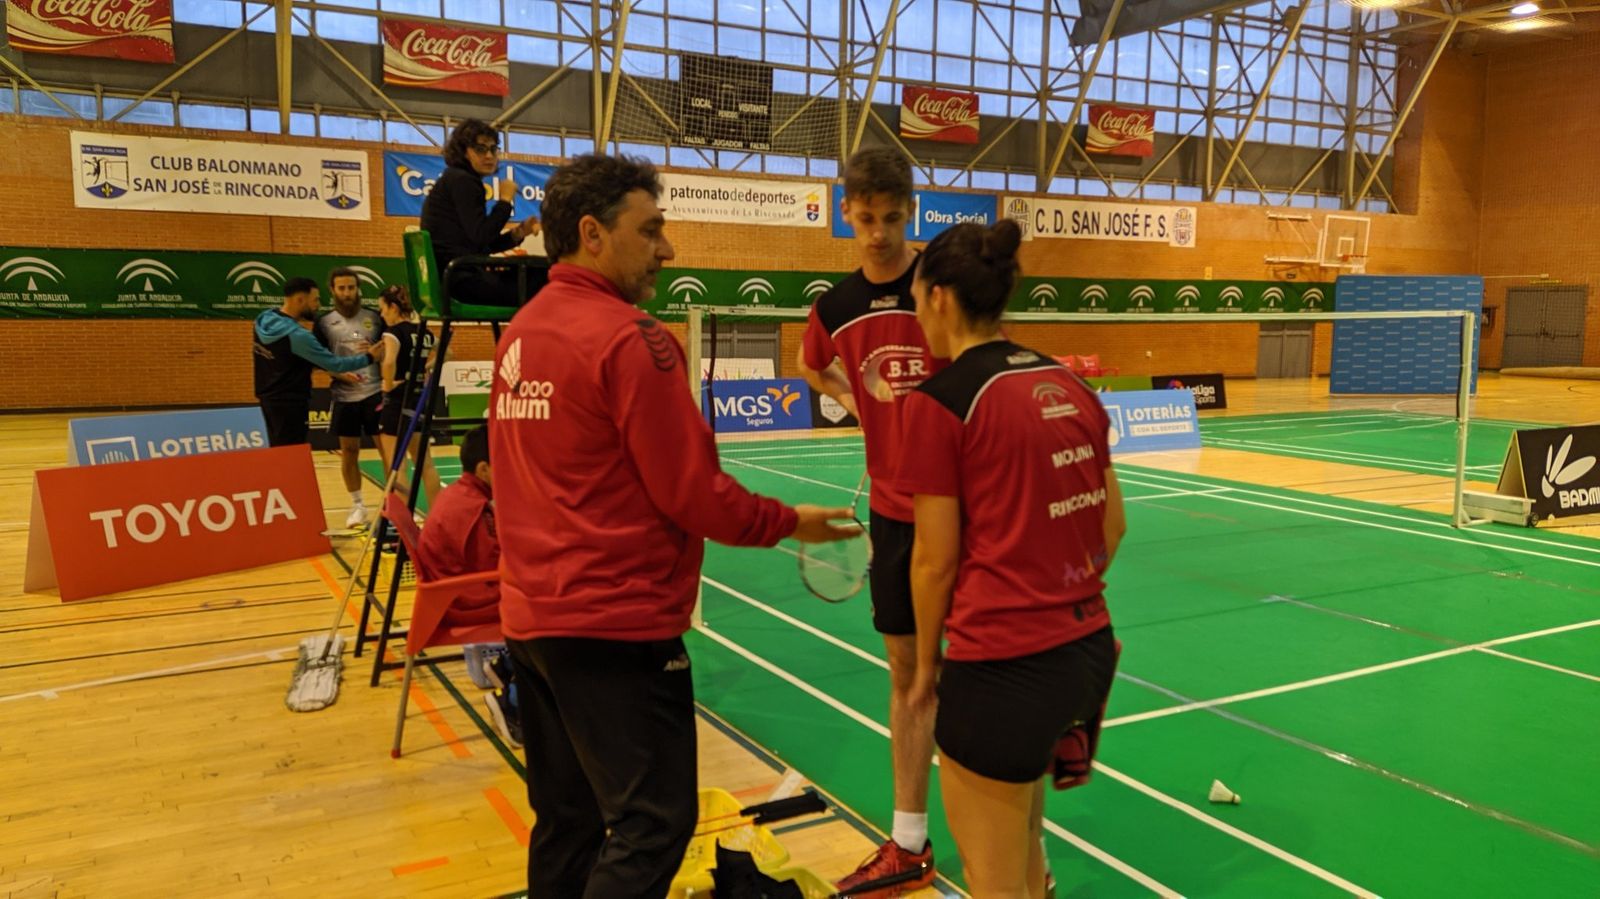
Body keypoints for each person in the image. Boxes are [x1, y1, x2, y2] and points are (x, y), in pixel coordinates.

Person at [490, 153, 856, 899]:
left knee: (570, 822)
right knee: (653, 824)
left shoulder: (520, 333)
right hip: (613, 628)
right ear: (592, 233)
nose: (668, 249)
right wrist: (789, 521)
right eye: (651, 230)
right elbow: (694, 494)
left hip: (531, 624)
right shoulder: (635, 340)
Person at [898, 220, 1125, 898]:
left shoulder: (942, 404)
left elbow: (934, 563)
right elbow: (1113, 527)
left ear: (940, 298)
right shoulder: (1069, 383)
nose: (917, 321)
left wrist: (926, 671)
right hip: (1084, 653)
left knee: (991, 879)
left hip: (1001, 670)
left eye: (915, 304)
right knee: (1027, 851)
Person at [796, 147, 943, 892]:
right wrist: (852, 401)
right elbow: (810, 362)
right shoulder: (836, 307)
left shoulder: (943, 287)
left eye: (892, 217)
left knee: (985, 672)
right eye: (866, 216)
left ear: (910, 212)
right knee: (907, 673)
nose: (879, 231)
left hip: (964, 512)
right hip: (893, 515)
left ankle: (1021, 850)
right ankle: (910, 841)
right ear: (844, 211)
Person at [414, 425, 513, 744]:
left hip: (450, 592)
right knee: (551, 604)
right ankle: (511, 703)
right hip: (461, 603)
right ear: (484, 469)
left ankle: (507, 667)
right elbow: (495, 568)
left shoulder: (459, 493)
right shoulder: (472, 509)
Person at [421, 118, 541, 308]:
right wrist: (504, 200)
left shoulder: (456, 179)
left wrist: (518, 233)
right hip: (461, 281)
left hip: (456, 276)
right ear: (464, 152)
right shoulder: (463, 181)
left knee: (534, 274)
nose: (489, 156)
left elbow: (481, 244)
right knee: (543, 279)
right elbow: (481, 236)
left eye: (493, 149)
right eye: (480, 149)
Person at [253, 277, 383, 449]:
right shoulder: (298, 335)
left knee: (278, 449)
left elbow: (290, 361)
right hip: (291, 403)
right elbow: (335, 363)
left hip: (268, 399)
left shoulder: (262, 321)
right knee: (292, 453)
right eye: (315, 299)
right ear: (300, 299)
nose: (318, 305)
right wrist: (369, 357)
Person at [315, 267, 386, 529]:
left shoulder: (376, 318)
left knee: (386, 451)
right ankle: (357, 506)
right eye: (342, 288)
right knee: (349, 451)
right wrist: (340, 374)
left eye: (351, 287)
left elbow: (392, 349)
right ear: (332, 291)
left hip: (376, 393)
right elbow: (318, 359)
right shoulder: (323, 323)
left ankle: (394, 504)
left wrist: (382, 352)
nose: (347, 293)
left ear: (358, 289)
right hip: (344, 396)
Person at [376, 285, 441, 504]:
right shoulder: (425, 333)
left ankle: (402, 526)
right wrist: (426, 368)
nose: (382, 314)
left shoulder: (393, 333)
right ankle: (436, 522)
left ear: (393, 307)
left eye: (382, 309)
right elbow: (448, 353)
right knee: (426, 464)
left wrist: (388, 384)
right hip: (418, 398)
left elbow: (389, 361)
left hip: (398, 400)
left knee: (397, 465)